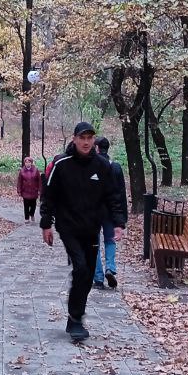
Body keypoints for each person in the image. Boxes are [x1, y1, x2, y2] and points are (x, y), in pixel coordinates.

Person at [39, 122, 124, 341]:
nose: (86, 142)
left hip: (91, 228)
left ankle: (74, 316)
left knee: (87, 274)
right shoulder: (62, 164)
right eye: (82, 138)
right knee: (81, 268)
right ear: (74, 139)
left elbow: (113, 196)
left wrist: (118, 222)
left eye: (90, 138)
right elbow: (49, 195)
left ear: (94, 141)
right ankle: (75, 319)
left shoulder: (102, 166)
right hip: (68, 226)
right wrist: (46, 224)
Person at [91, 136, 128, 290]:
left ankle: (98, 278)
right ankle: (110, 268)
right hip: (110, 212)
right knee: (110, 241)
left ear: (96, 148)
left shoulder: (91, 166)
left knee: (93, 245)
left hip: (94, 213)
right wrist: (121, 220)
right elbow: (121, 194)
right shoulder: (116, 167)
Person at [16, 156, 42, 222]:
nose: (27, 163)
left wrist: (39, 190)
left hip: (34, 190)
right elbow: (19, 181)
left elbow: (39, 181)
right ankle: (26, 218)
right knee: (26, 205)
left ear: (31, 163)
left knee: (33, 205)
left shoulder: (36, 170)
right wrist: (19, 190)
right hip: (25, 190)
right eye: (26, 162)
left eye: (29, 162)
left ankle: (32, 214)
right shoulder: (22, 171)